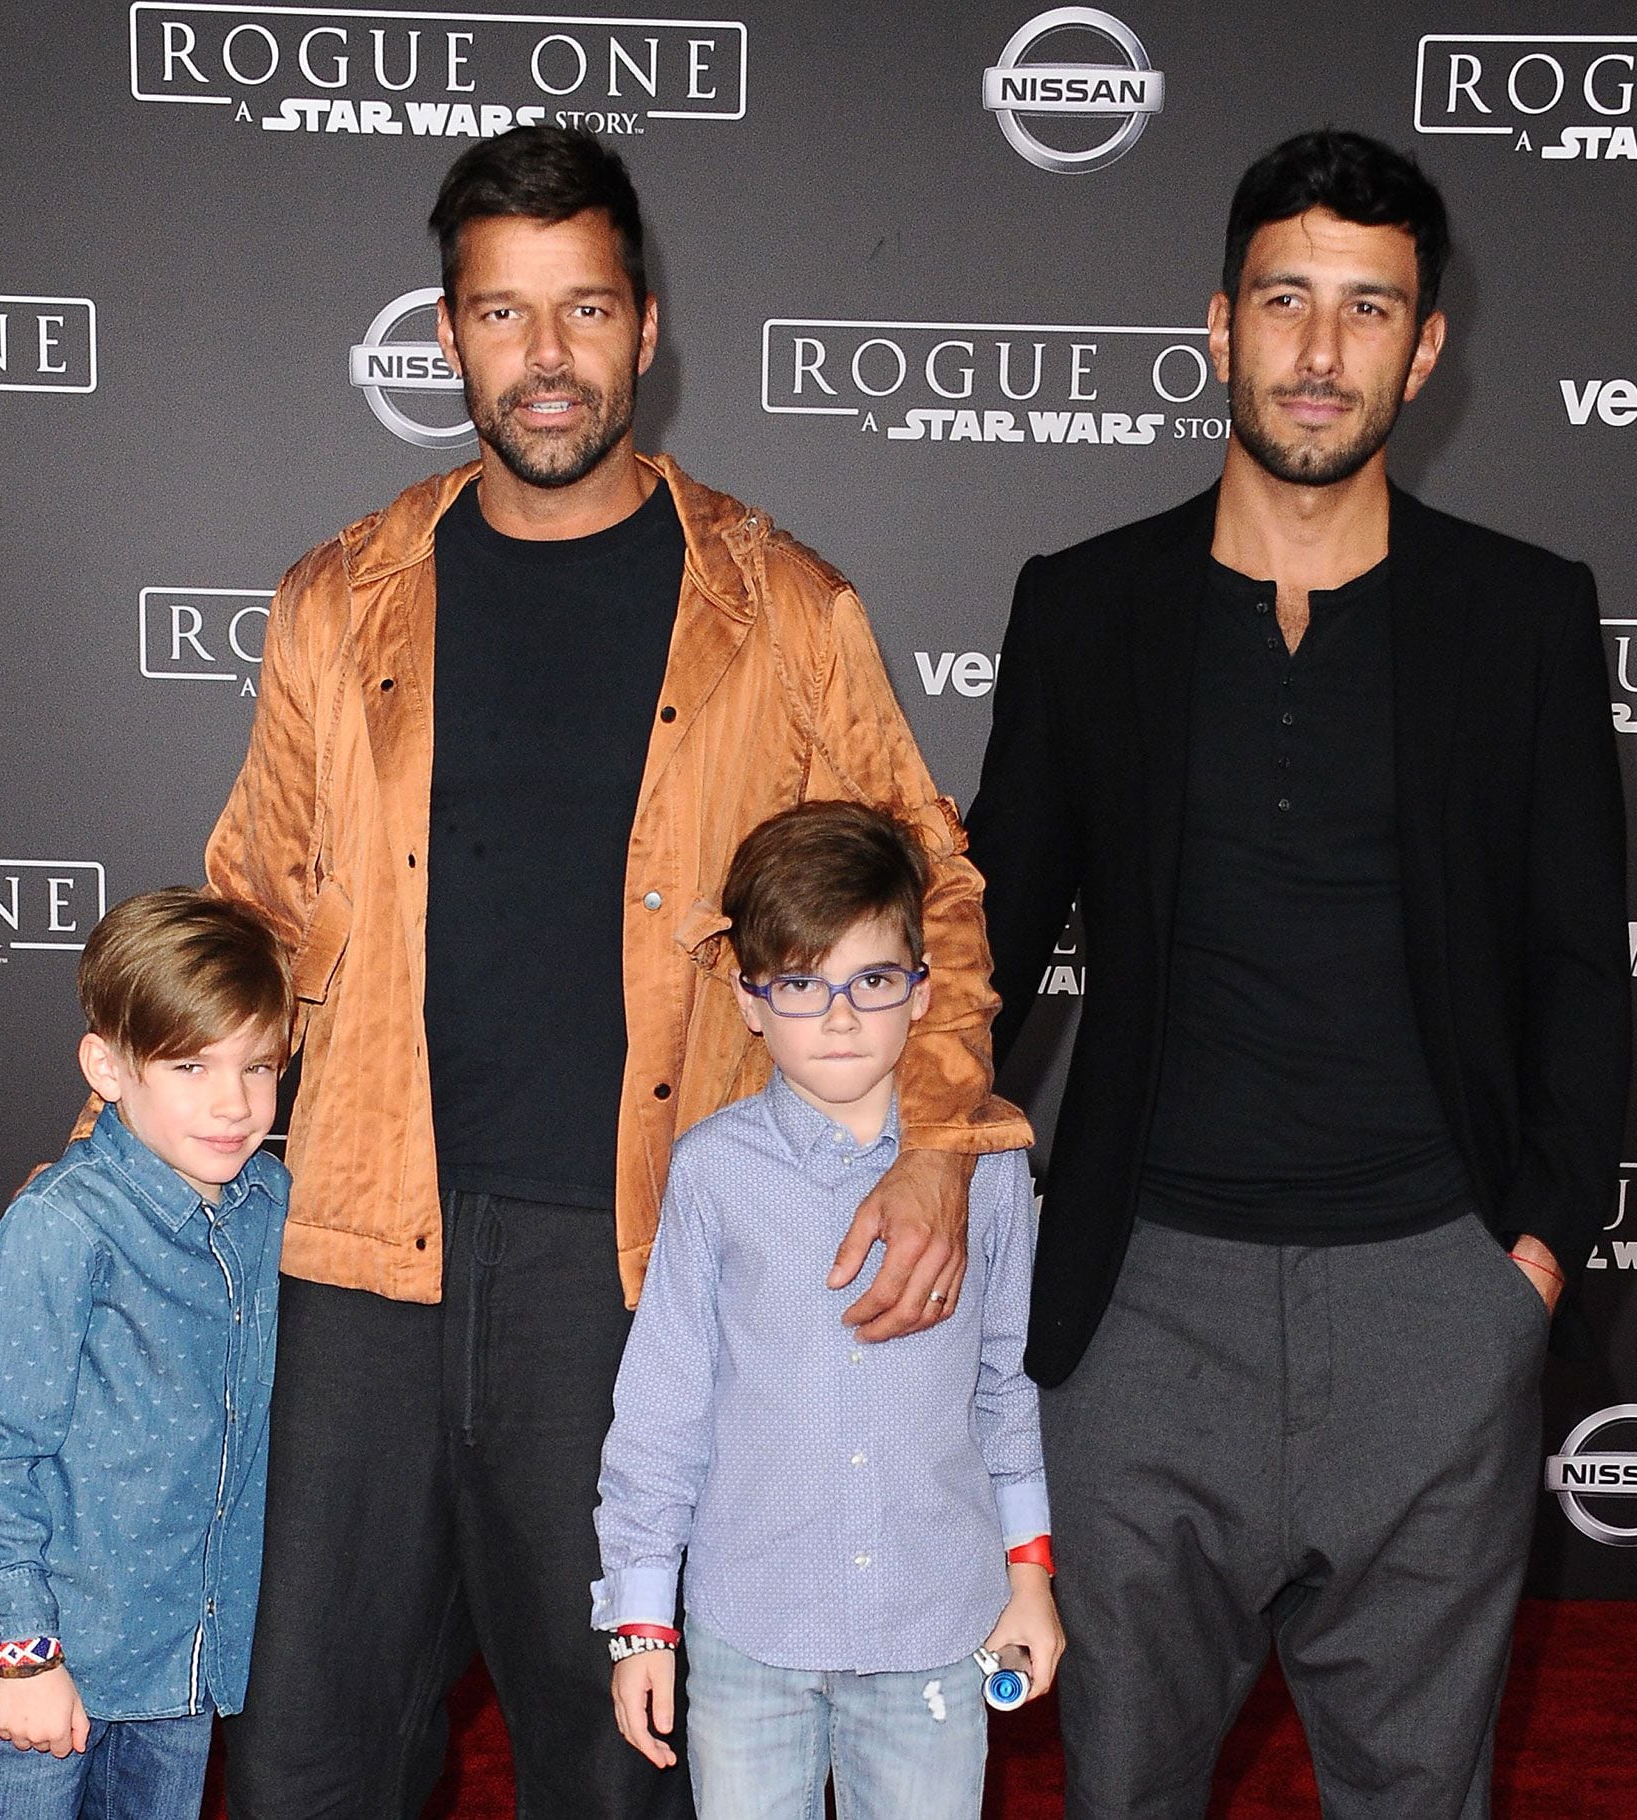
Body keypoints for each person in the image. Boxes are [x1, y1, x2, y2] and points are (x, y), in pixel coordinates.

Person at [210, 127, 1028, 1819]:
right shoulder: (336, 601)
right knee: (305, 1758)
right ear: (446, 336)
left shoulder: (786, 607)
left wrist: (942, 1136)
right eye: (504, 317)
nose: (547, 358)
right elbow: (254, 914)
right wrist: (127, 1150)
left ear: (647, 326)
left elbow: (932, 888)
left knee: (617, 1760)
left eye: (583, 310)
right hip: (362, 1242)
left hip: (642, 1260)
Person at [965, 128, 1630, 1818]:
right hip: (1138, 1313)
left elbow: (1576, 969)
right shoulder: (1086, 605)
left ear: (1425, 348)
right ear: (1219, 323)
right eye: (1285, 301)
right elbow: (981, 941)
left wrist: (1526, 1269)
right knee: (1119, 1788)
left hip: (1434, 1295)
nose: (1320, 353)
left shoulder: (1527, 615)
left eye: (1366, 310)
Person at [593, 800, 1061, 1818]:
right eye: (803, 984)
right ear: (751, 999)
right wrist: (642, 1621)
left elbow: (1006, 1388)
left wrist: (1031, 1576)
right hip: (747, 1636)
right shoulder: (713, 1171)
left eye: (873, 980)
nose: (840, 1015)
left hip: (937, 1630)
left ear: (922, 989)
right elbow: (662, 1414)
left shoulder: (987, 1168)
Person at [0, 890, 292, 1820]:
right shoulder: (62, 1226)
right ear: (107, 1066)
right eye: (189, 1066)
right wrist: (23, 1654)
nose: (233, 1104)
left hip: (183, 1664)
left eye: (259, 1068)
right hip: (50, 1656)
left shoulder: (268, 1206)